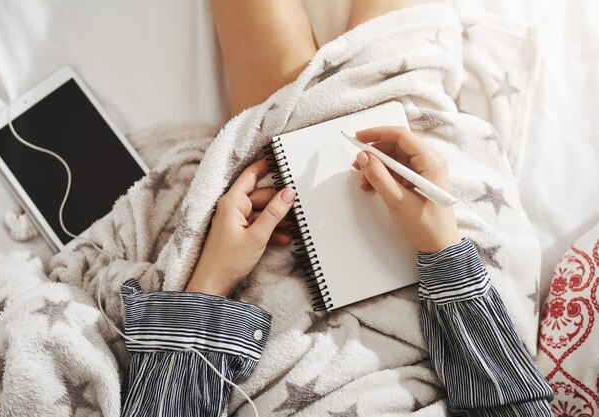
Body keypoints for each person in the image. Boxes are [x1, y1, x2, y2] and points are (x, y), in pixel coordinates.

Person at [120, 0, 554, 415]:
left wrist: (213, 276)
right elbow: (510, 402)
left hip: (266, 305)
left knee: (281, 72)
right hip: (445, 286)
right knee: (397, 85)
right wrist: (441, 248)